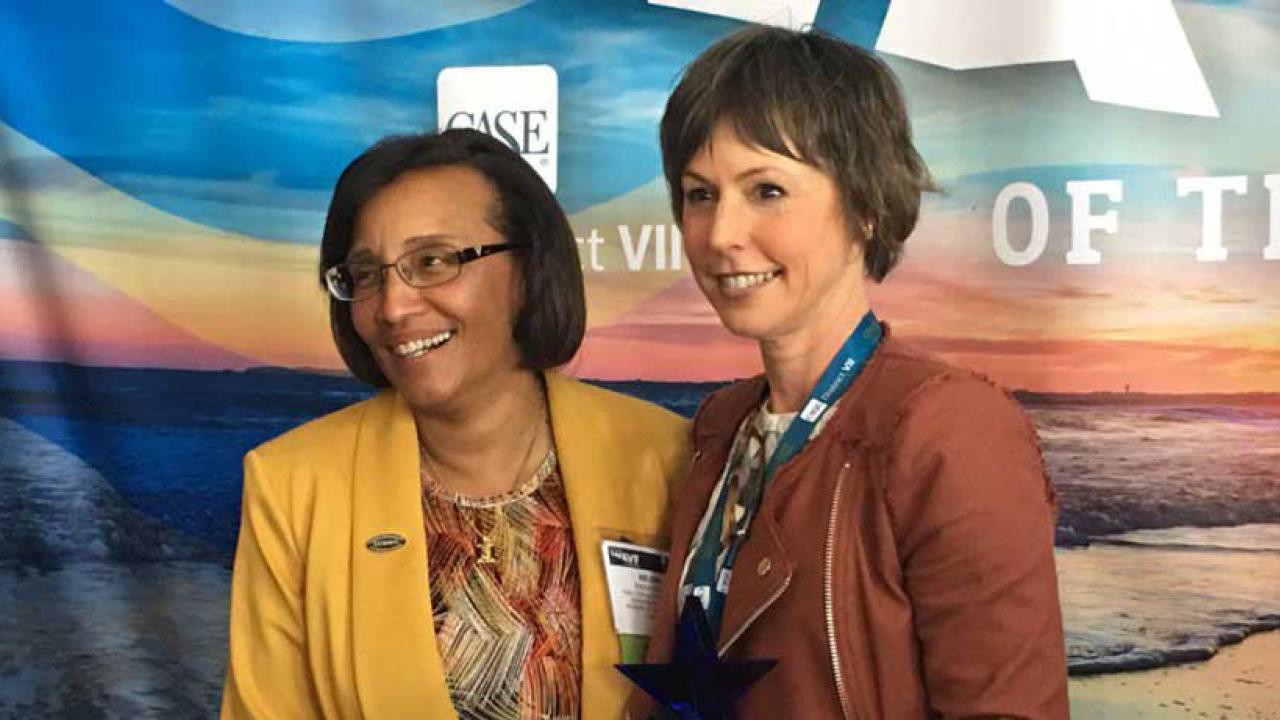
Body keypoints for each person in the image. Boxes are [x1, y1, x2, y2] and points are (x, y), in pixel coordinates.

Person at [628, 26, 1068, 719]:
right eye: (699, 194)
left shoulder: (949, 429)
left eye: (766, 190)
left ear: (865, 205)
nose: (718, 234)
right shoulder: (720, 427)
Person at [222, 128, 689, 720]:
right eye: (367, 275)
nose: (393, 307)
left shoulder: (666, 457)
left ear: (528, 268)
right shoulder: (292, 485)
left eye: (434, 261)